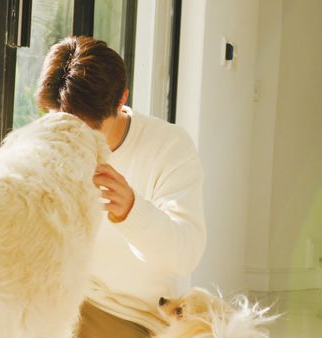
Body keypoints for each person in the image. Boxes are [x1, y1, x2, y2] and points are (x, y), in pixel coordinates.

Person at [37, 36, 206, 338]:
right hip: (56, 295)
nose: (72, 139)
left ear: (121, 99)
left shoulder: (168, 146)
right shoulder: (49, 141)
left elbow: (185, 255)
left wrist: (132, 210)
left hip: (124, 312)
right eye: (61, 123)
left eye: (86, 129)